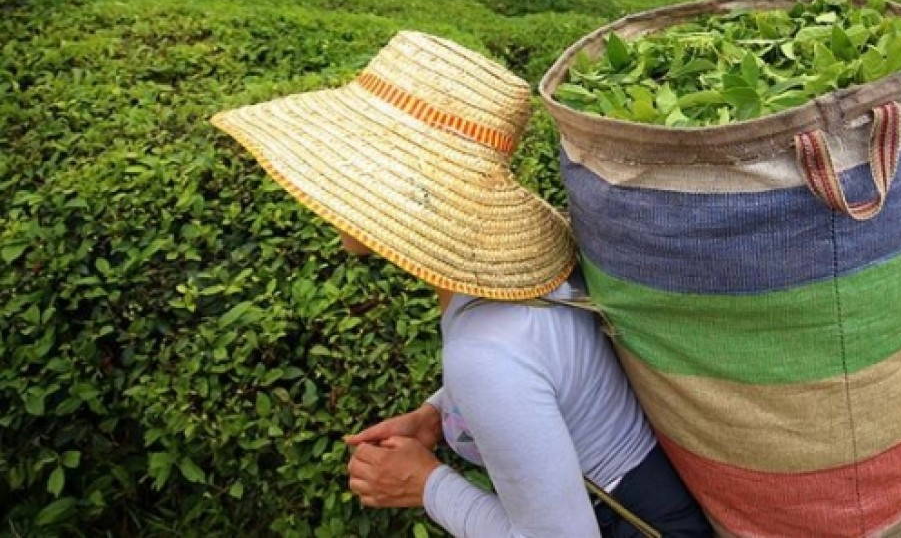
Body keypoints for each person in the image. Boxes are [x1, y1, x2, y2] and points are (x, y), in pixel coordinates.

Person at [211, 32, 712, 537]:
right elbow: (546, 372)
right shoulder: (513, 289)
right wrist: (437, 415)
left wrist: (425, 485)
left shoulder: (483, 356)